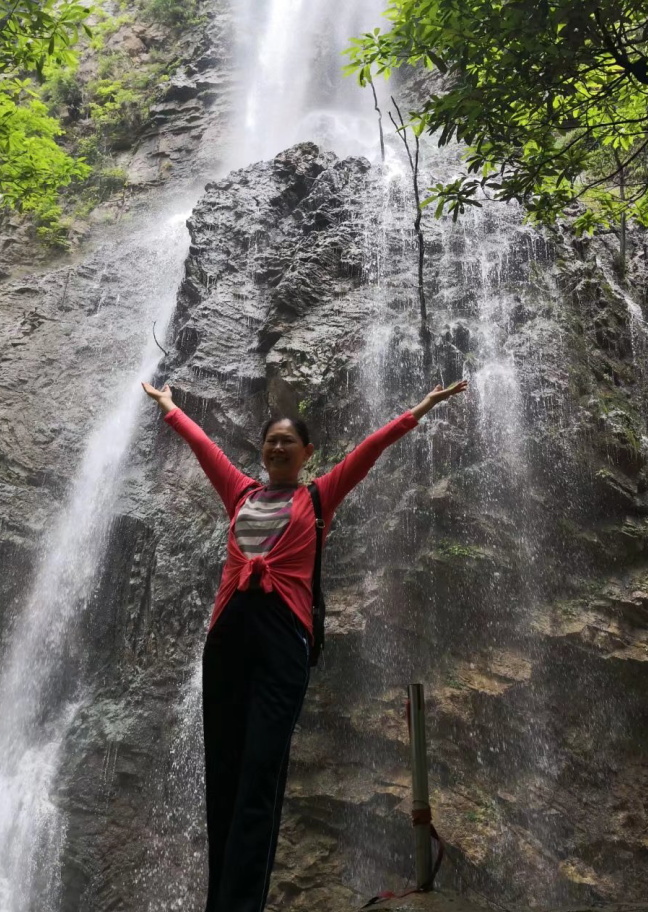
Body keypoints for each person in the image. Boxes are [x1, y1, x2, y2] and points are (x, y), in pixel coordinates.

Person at [141, 379, 468, 912]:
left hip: (282, 638)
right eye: (270, 441)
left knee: (260, 774)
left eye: (287, 442)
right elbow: (204, 448)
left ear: (306, 453)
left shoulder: (318, 496)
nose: (277, 448)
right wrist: (169, 407)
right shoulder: (240, 492)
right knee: (223, 773)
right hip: (226, 637)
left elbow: (369, 450)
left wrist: (421, 408)